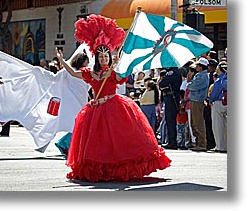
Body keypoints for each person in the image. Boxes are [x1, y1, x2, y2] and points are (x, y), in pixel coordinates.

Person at [55, 14, 171, 182]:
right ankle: (101, 169)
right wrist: (61, 60)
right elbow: (73, 72)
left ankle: (119, 168)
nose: (104, 58)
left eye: (106, 56)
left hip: (115, 108)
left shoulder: (113, 72)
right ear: (96, 58)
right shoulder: (91, 73)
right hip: (95, 110)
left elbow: (120, 77)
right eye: (101, 56)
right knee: (99, 144)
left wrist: (116, 64)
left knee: (118, 141)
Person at [54, 52, 90, 159]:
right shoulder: (68, 71)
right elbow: (56, 79)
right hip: (73, 102)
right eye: (86, 60)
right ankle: (64, 143)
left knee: (80, 126)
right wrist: (61, 60)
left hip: (82, 102)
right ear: (82, 61)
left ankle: (66, 144)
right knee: (78, 126)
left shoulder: (86, 72)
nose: (88, 63)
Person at [187, 57, 210, 152]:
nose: (196, 67)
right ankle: (197, 142)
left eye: (197, 65)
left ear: (201, 66)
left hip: (198, 100)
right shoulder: (199, 75)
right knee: (194, 122)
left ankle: (202, 144)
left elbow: (192, 86)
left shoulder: (203, 76)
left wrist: (190, 84)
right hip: (194, 100)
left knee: (199, 122)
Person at [158, 67, 182, 150]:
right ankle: (171, 140)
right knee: (170, 120)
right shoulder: (173, 72)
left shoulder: (172, 72)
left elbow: (162, 83)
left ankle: (172, 142)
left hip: (171, 97)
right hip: (171, 96)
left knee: (170, 120)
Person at [209, 61, 227, 153]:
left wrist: (210, 100)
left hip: (218, 103)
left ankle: (220, 146)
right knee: (227, 127)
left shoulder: (219, 80)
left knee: (218, 126)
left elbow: (214, 93)